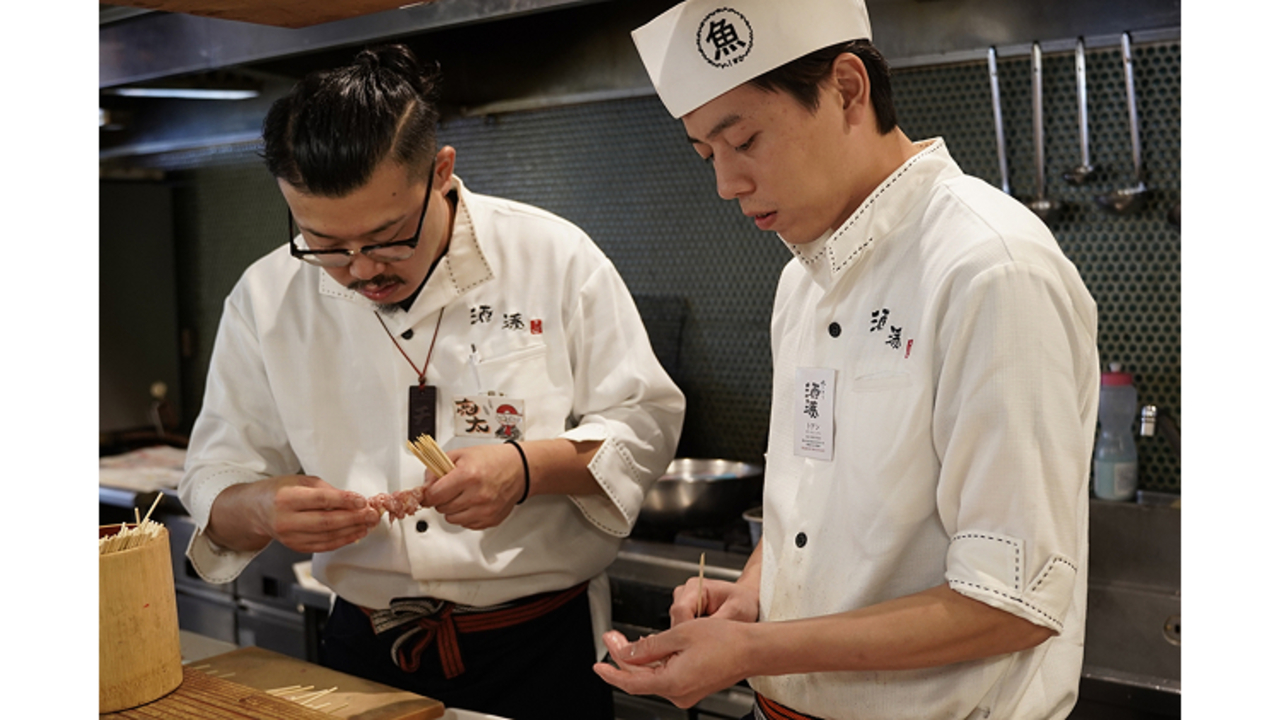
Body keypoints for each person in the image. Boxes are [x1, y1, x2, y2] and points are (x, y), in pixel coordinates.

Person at [596, 2, 1099, 718]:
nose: (726, 184)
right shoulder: (801, 280)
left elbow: (1012, 603)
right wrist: (753, 596)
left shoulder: (989, 268)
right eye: (709, 155)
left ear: (848, 88)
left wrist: (754, 652)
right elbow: (813, 492)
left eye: (744, 140)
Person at [177, 44, 685, 720]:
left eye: (388, 237)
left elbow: (645, 423)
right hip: (365, 646)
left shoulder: (553, 257)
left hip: (537, 650)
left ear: (441, 172)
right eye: (324, 243)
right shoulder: (267, 297)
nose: (359, 269)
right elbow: (212, 476)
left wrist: (525, 469)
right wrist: (265, 508)